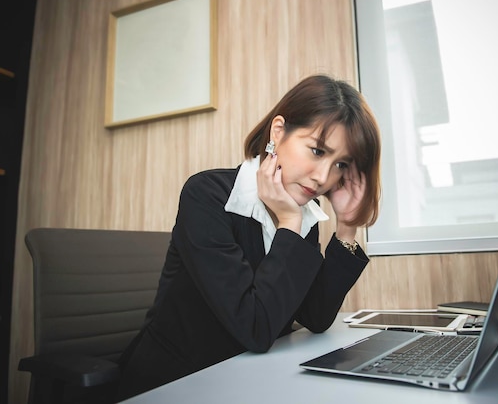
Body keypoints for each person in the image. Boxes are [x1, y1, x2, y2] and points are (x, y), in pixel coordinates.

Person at [116, 74, 382, 400]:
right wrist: (288, 222)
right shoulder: (207, 195)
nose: (324, 177)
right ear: (279, 131)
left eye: (340, 163)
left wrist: (347, 227)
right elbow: (255, 328)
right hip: (176, 382)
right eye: (316, 151)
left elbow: (315, 316)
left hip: (251, 380)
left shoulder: (303, 212)